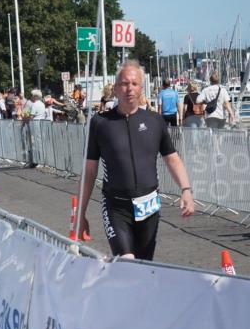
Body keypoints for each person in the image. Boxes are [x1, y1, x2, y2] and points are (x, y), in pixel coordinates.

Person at [78, 61, 195, 261]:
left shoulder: (154, 121)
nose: (129, 88)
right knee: (127, 261)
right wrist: (81, 212)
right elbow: (89, 171)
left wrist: (186, 190)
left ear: (141, 88)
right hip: (116, 206)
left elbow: (172, 159)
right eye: (124, 83)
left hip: (148, 206)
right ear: (115, 88)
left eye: (134, 83)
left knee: (143, 264)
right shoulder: (100, 123)